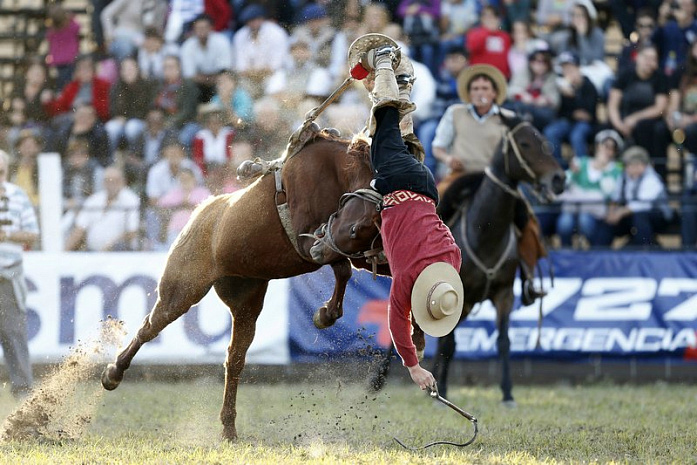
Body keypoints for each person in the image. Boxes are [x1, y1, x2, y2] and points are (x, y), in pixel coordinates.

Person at [351, 38, 464, 391]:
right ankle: (385, 64)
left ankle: (402, 84)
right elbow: (396, 321)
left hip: (426, 186)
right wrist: (414, 367)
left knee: (404, 138)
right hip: (397, 182)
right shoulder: (407, 278)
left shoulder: (453, 261)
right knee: (384, 119)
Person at [432, 64, 548, 304]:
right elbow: (438, 146)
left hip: (496, 181)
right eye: (475, 88)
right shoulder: (455, 112)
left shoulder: (508, 119)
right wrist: (447, 158)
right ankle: (426, 271)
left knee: (527, 220)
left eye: (485, 87)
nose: (479, 92)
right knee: (433, 214)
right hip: (461, 176)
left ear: (495, 92)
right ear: (469, 92)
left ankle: (528, 279)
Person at [0, 149, 40, 399]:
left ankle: (24, 393)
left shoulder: (17, 196)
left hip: (8, 275)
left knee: (14, 334)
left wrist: (7, 235)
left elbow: (32, 234)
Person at [607, 43, 670, 177]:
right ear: (637, 58)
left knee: (655, 130)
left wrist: (634, 119)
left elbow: (660, 108)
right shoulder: (625, 75)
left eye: (653, 59)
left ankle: (656, 174)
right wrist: (619, 124)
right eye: (646, 57)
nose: (649, 62)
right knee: (605, 130)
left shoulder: (660, 78)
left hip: (649, 122)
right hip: (623, 120)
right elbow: (612, 104)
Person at [556, 129, 624, 247]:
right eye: (605, 146)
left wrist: (602, 169)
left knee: (585, 221)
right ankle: (566, 252)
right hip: (573, 208)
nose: (608, 151)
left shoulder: (616, 170)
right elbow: (565, 180)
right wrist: (572, 173)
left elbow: (611, 193)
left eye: (612, 148)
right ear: (598, 146)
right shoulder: (581, 162)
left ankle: (588, 252)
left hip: (596, 213)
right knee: (564, 223)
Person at [597, 145, 674, 247]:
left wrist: (619, 213)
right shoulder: (624, 177)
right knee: (606, 223)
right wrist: (611, 212)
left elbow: (642, 205)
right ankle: (600, 252)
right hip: (630, 215)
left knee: (640, 217)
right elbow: (615, 197)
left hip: (656, 217)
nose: (629, 168)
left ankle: (644, 252)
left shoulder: (652, 178)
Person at [64, 166, 140, 252]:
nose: (111, 184)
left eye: (114, 181)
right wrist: (64, 252)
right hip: (93, 252)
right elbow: (79, 229)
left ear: (123, 182)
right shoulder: (94, 199)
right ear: (103, 182)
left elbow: (132, 231)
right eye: (108, 180)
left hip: (120, 253)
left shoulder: (131, 200)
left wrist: (109, 247)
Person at [543, 51, 598, 166]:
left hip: (585, 124)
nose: (567, 72)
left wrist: (573, 97)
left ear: (578, 68)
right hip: (567, 121)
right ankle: (558, 166)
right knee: (551, 132)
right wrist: (567, 99)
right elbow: (560, 112)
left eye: (570, 68)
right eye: (565, 69)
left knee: (577, 135)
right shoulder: (561, 87)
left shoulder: (588, 85)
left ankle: (582, 168)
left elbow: (588, 114)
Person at [105, 57, 156, 157]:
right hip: (121, 121)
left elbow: (147, 108)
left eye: (131, 69)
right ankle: (110, 158)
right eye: (125, 69)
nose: (128, 72)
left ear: (137, 70)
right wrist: (118, 117)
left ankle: (134, 156)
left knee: (132, 128)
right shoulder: (116, 87)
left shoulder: (146, 86)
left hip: (140, 121)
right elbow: (112, 108)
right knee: (110, 128)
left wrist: (127, 118)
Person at [505, 44, 560, 131]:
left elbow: (555, 100)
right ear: (531, 62)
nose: (541, 65)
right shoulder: (523, 72)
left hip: (540, 113)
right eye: (538, 61)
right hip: (522, 108)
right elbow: (510, 91)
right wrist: (522, 95)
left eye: (545, 62)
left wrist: (545, 100)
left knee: (546, 115)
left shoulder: (551, 76)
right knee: (513, 108)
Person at [179, 13, 233, 103]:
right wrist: (207, 79)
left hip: (217, 80)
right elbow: (189, 75)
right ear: (194, 30)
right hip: (198, 84)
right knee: (187, 84)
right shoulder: (188, 46)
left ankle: (222, 110)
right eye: (198, 28)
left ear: (211, 28)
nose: (202, 31)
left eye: (205, 27)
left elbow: (224, 70)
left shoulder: (221, 41)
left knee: (226, 80)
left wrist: (211, 79)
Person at [100, 0, 168, 60]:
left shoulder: (160, 4)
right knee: (126, 47)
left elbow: (158, 28)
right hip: (123, 35)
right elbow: (106, 14)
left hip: (144, 38)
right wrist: (109, 35)